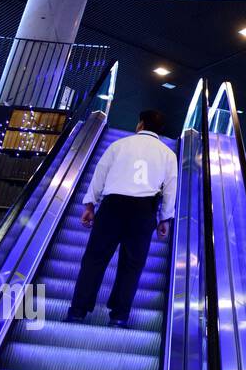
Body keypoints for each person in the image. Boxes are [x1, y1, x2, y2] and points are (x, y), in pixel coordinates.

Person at [66, 109, 177, 327]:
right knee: (132, 265)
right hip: (144, 211)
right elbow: (170, 188)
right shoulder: (168, 154)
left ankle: (77, 311)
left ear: (141, 125)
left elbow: (100, 174)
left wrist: (90, 204)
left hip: (112, 207)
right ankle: (119, 316)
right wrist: (165, 219)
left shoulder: (119, 145)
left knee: (94, 260)